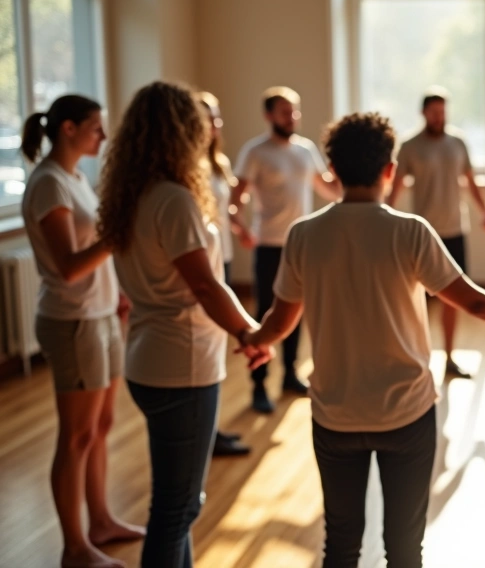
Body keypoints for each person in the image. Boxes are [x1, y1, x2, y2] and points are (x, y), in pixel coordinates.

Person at [244, 111, 485, 568]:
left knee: (341, 543)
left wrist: (254, 339)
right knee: (405, 548)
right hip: (406, 413)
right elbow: (476, 303)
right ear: (390, 170)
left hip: (335, 414)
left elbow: (279, 321)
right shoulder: (410, 231)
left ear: (334, 172)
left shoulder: (304, 235)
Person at [97, 81, 270, 567]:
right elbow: (206, 285)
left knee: (178, 505)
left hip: (151, 360)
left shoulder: (133, 195)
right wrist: (249, 333)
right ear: (181, 132)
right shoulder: (173, 200)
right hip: (181, 363)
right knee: (177, 508)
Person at [21, 95, 144, 568]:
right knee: (75, 436)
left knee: (101, 426)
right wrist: (117, 236)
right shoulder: (49, 185)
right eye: (96, 128)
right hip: (71, 321)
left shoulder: (75, 179)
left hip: (98, 316)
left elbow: (90, 253)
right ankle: (75, 547)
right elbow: (70, 267)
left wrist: (116, 294)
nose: (104, 136)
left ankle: (102, 522)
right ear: (68, 129)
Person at [231, 86, 341, 413]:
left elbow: (331, 190)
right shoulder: (255, 152)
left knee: (297, 312)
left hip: (301, 246)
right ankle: (258, 385)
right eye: (284, 111)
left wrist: (347, 170)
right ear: (268, 115)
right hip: (268, 246)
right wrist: (241, 229)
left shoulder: (306, 150)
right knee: (267, 312)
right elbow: (235, 201)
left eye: (294, 111)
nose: (291, 117)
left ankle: (290, 374)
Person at [388, 87, 485, 379]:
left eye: (443, 111)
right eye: (434, 112)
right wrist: (383, 218)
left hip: (454, 231)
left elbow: (471, 180)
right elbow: (394, 187)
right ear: (423, 113)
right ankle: (417, 357)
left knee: (453, 298)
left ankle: (449, 357)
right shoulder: (409, 146)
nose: (439, 116)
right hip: (421, 234)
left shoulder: (458, 142)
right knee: (414, 298)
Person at [198, 92, 252, 458]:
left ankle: (212, 428)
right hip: (205, 261)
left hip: (224, 257)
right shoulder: (190, 170)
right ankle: (207, 432)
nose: (216, 124)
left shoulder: (217, 163)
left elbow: (225, 206)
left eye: (217, 117)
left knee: (218, 346)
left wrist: (239, 224)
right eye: (209, 118)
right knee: (209, 344)